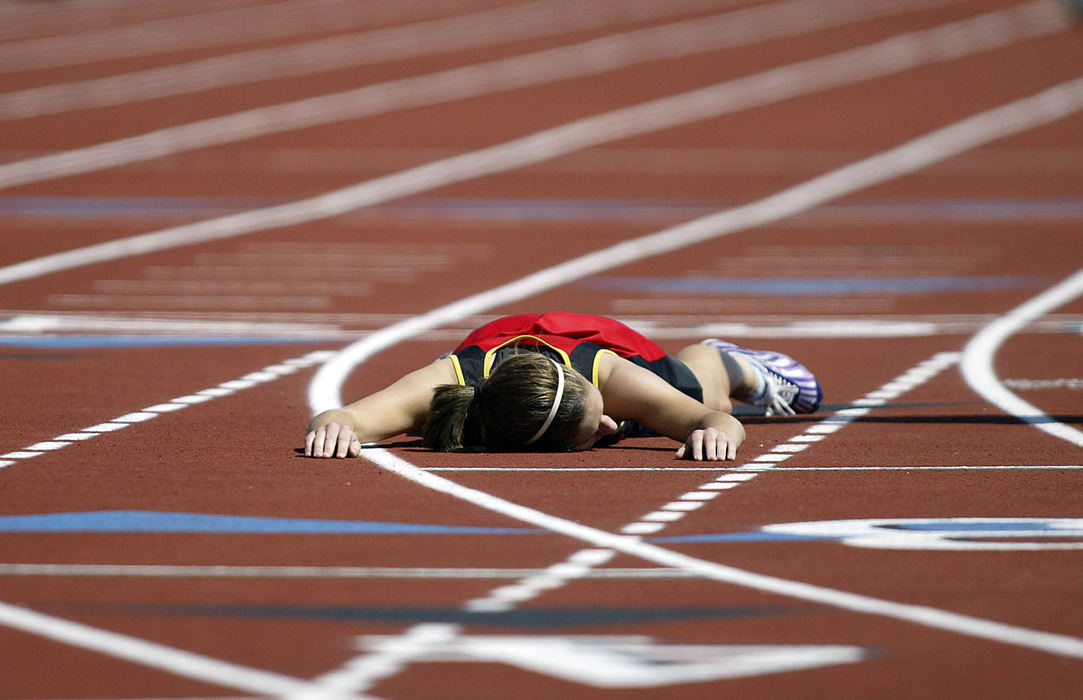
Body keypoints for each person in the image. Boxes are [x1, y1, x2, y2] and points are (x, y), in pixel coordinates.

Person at [304, 312, 821, 461]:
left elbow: (713, 420)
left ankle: (719, 358)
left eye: (599, 416)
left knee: (705, 393)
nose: (608, 425)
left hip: (611, 349)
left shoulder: (609, 377)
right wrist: (336, 428)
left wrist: (718, 431)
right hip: (520, 368)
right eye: (593, 435)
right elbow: (343, 416)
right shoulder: (449, 388)